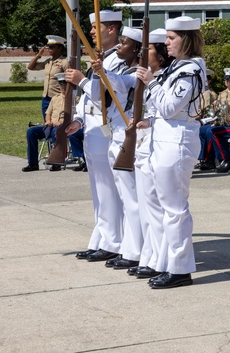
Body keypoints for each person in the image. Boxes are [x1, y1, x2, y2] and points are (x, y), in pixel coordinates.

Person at [135, 16, 207, 289]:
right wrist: (149, 121)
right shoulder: (178, 68)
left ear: (186, 40)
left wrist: (152, 82)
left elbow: (169, 108)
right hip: (164, 139)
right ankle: (168, 262)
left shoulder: (190, 71)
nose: (166, 43)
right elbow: (164, 114)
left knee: (175, 210)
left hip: (176, 143)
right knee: (165, 208)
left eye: (171, 38)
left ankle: (180, 269)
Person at [64, 9, 128, 263]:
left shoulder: (118, 61)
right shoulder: (99, 59)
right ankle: (102, 237)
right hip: (92, 128)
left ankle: (113, 241)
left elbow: (108, 99)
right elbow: (86, 101)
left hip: (106, 129)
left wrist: (81, 81)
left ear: (111, 29)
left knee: (108, 189)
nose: (91, 31)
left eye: (96, 27)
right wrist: (78, 119)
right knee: (99, 190)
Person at [93, 26, 143, 270]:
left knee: (131, 197)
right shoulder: (123, 67)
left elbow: (121, 85)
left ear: (136, 49)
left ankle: (135, 251)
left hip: (127, 134)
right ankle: (128, 247)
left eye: (124, 43)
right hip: (116, 132)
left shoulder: (138, 72)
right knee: (125, 197)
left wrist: (103, 71)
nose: (119, 46)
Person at [130, 28, 169, 279]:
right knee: (146, 206)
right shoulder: (152, 75)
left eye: (150, 49)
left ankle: (161, 260)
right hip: (147, 142)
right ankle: (151, 256)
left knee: (158, 208)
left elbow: (170, 110)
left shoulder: (166, 76)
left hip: (161, 143)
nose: (144, 54)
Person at [22, 73, 84, 171]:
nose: (63, 86)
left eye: (65, 84)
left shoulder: (75, 99)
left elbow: (77, 116)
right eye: (61, 84)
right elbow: (48, 113)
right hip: (51, 125)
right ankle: (33, 163)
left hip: (64, 126)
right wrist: (48, 121)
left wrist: (62, 122)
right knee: (31, 132)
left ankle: (56, 161)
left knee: (56, 132)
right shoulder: (55, 98)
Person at [27, 35, 67, 122]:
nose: (49, 49)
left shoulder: (64, 62)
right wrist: (38, 55)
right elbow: (31, 67)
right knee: (47, 122)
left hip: (57, 97)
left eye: (52, 47)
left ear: (59, 48)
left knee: (57, 121)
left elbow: (69, 79)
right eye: (48, 47)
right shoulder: (48, 62)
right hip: (46, 97)